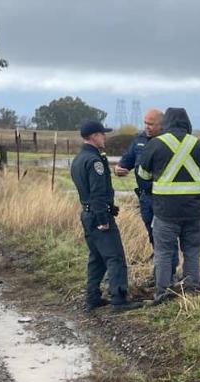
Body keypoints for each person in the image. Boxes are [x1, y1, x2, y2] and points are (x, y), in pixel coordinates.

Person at [138, 108, 200, 305]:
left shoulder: (155, 145)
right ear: (188, 123)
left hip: (165, 211)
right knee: (192, 251)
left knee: (163, 252)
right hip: (194, 211)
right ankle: (190, 292)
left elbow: (143, 176)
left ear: (166, 123)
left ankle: (162, 295)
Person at [70, 120, 142, 312]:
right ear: (93, 136)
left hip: (87, 215)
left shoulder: (79, 159)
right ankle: (119, 299)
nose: (104, 137)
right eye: (102, 134)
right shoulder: (95, 161)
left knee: (97, 258)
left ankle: (92, 296)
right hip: (98, 216)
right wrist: (103, 219)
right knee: (115, 257)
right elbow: (98, 193)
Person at [114, 108, 178, 278]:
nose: (147, 127)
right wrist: (119, 168)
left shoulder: (169, 141)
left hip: (164, 199)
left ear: (161, 124)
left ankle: (167, 274)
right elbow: (126, 161)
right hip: (145, 198)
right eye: (145, 123)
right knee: (153, 235)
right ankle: (160, 271)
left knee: (165, 236)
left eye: (151, 124)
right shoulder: (139, 141)